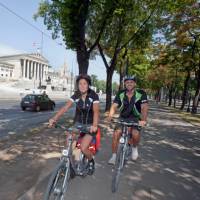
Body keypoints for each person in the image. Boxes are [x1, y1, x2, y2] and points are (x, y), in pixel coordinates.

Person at [48, 74, 100, 175]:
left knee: (84, 148)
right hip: (78, 123)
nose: (82, 86)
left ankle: (91, 161)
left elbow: (96, 111)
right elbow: (65, 108)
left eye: (85, 83)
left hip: (90, 125)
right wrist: (54, 118)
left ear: (88, 85)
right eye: (80, 83)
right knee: (68, 139)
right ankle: (69, 164)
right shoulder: (76, 95)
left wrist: (94, 125)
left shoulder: (93, 95)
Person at [108, 75, 148, 165]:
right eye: (127, 82)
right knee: (116, 134)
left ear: (135, 83)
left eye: (131, 82)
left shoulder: (141, 93)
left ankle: (134, 148)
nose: (129, 84)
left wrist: (144, 120)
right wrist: (110, 116)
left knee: (135, 133)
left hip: (135, 118)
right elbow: (114, 106)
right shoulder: (121, 93)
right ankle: (114, 156)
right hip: (123, 117)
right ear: (124, 84)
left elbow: (144, 108)